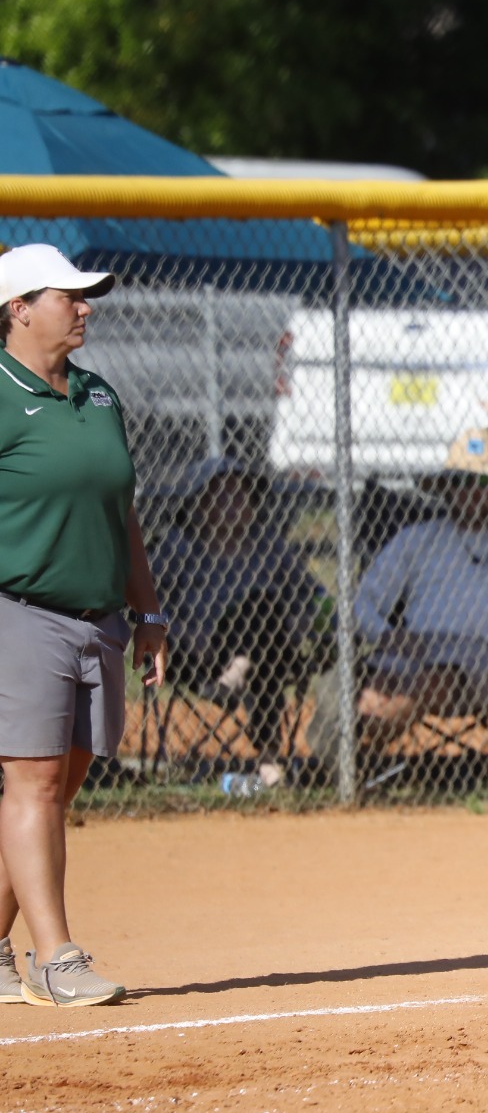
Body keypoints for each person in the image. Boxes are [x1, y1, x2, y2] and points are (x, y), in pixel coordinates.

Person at [0, 244, 169, 1009]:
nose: (85, 305)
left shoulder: (99, 394)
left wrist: (149, 611)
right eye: (68, 295)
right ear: (19, 309)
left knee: (54, 790)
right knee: (33, 784)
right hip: (19, 610)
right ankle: (56, 957)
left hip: (99, 622)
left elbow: (120, 512)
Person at [317, 402, 488, 753]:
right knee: (371, 685)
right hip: (413, 651)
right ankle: (353, 753)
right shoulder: (418, 538)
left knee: (436, 677)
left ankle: (355, 754)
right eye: (460, 481)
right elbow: (361, 603)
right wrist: (386, 636)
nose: (470, 491)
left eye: (482, 481)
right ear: (445, 487)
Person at [151, 456, 331, 789]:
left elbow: (312, 592)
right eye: (221, 495)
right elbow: (150, 602)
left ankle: (242, 668)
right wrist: (183, 632)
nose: (233, 504)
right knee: (262, 626)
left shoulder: (268, 546)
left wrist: (302, 620)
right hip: (200, 653)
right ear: (199, 504)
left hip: (268, 650)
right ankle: (269, 760)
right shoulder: (179, 547)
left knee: (263, 608)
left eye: (240, 494)